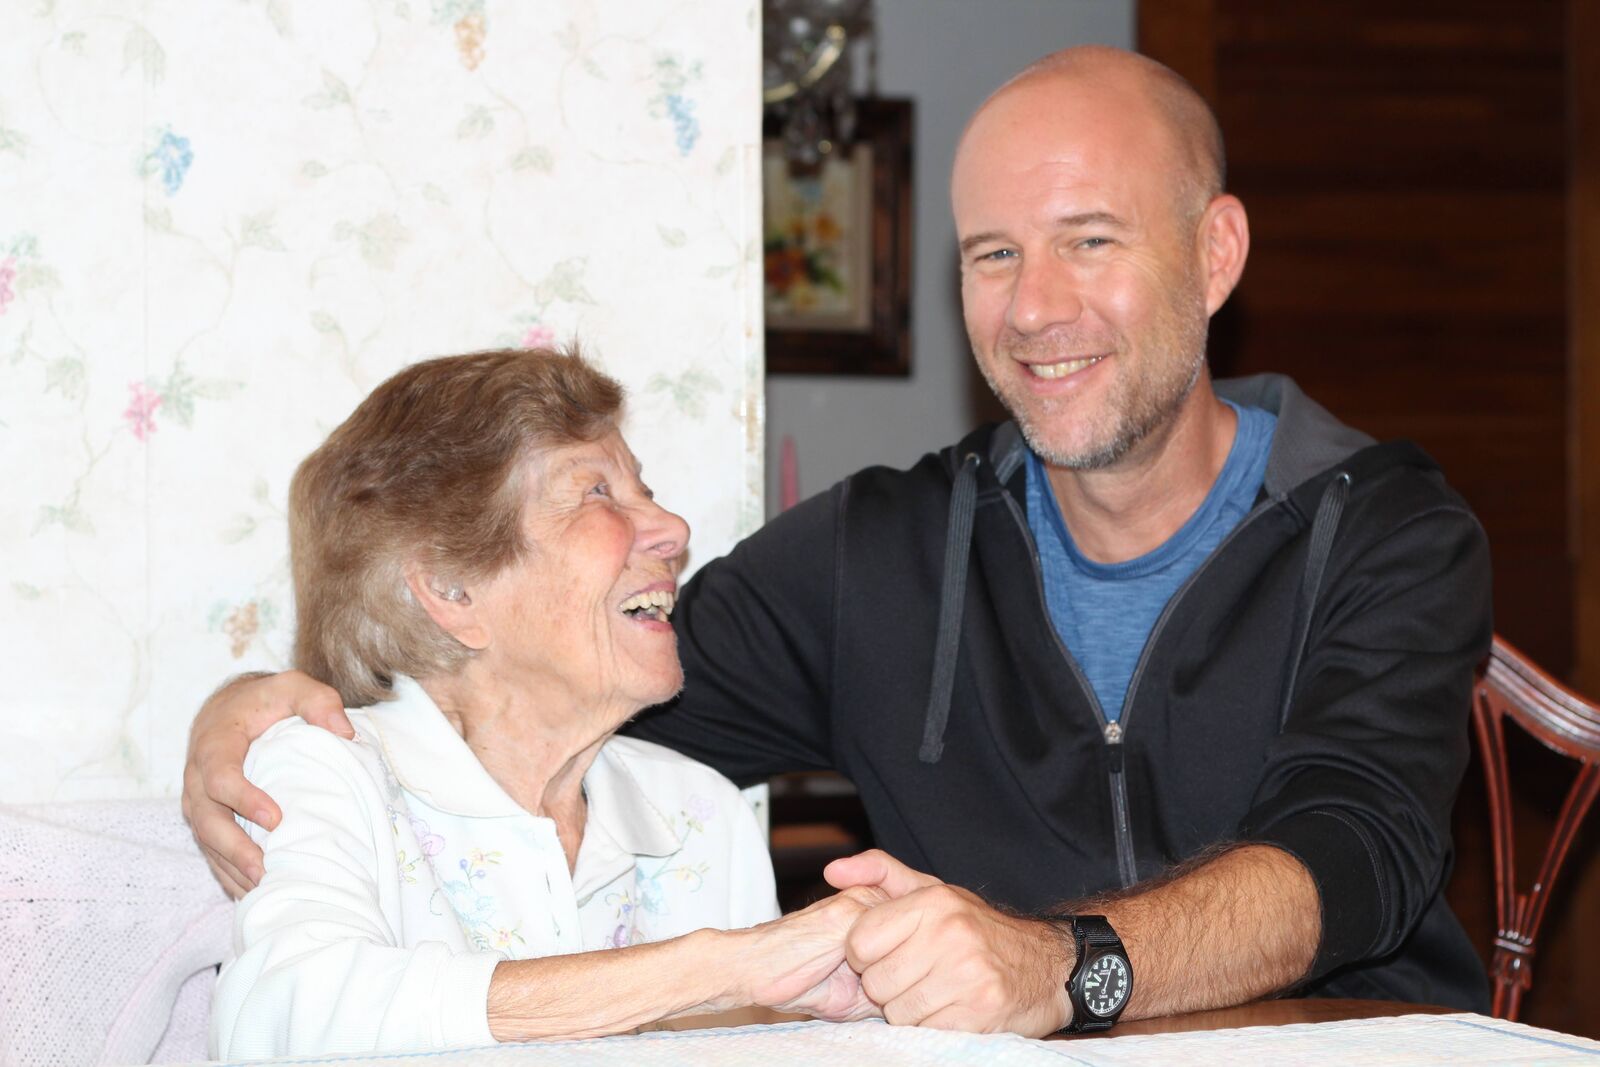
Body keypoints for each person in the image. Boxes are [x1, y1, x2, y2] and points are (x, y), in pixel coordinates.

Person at [186, 46, 1492, 1038]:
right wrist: (293, 705)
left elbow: (1358, 847)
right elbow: (565, 691)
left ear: (1215, 254)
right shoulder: (884, 551)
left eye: (1091, 241)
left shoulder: (1379, 526)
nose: (1035, 307)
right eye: (993, 253)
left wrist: (1068, 960)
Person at [205, 347, 882, 1058]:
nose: (672, 529)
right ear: (452, 587)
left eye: (642, 490)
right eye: (596, 492)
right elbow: (280, 1019)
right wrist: (721, 964)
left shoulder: (700, 811)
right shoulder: (329, 771)